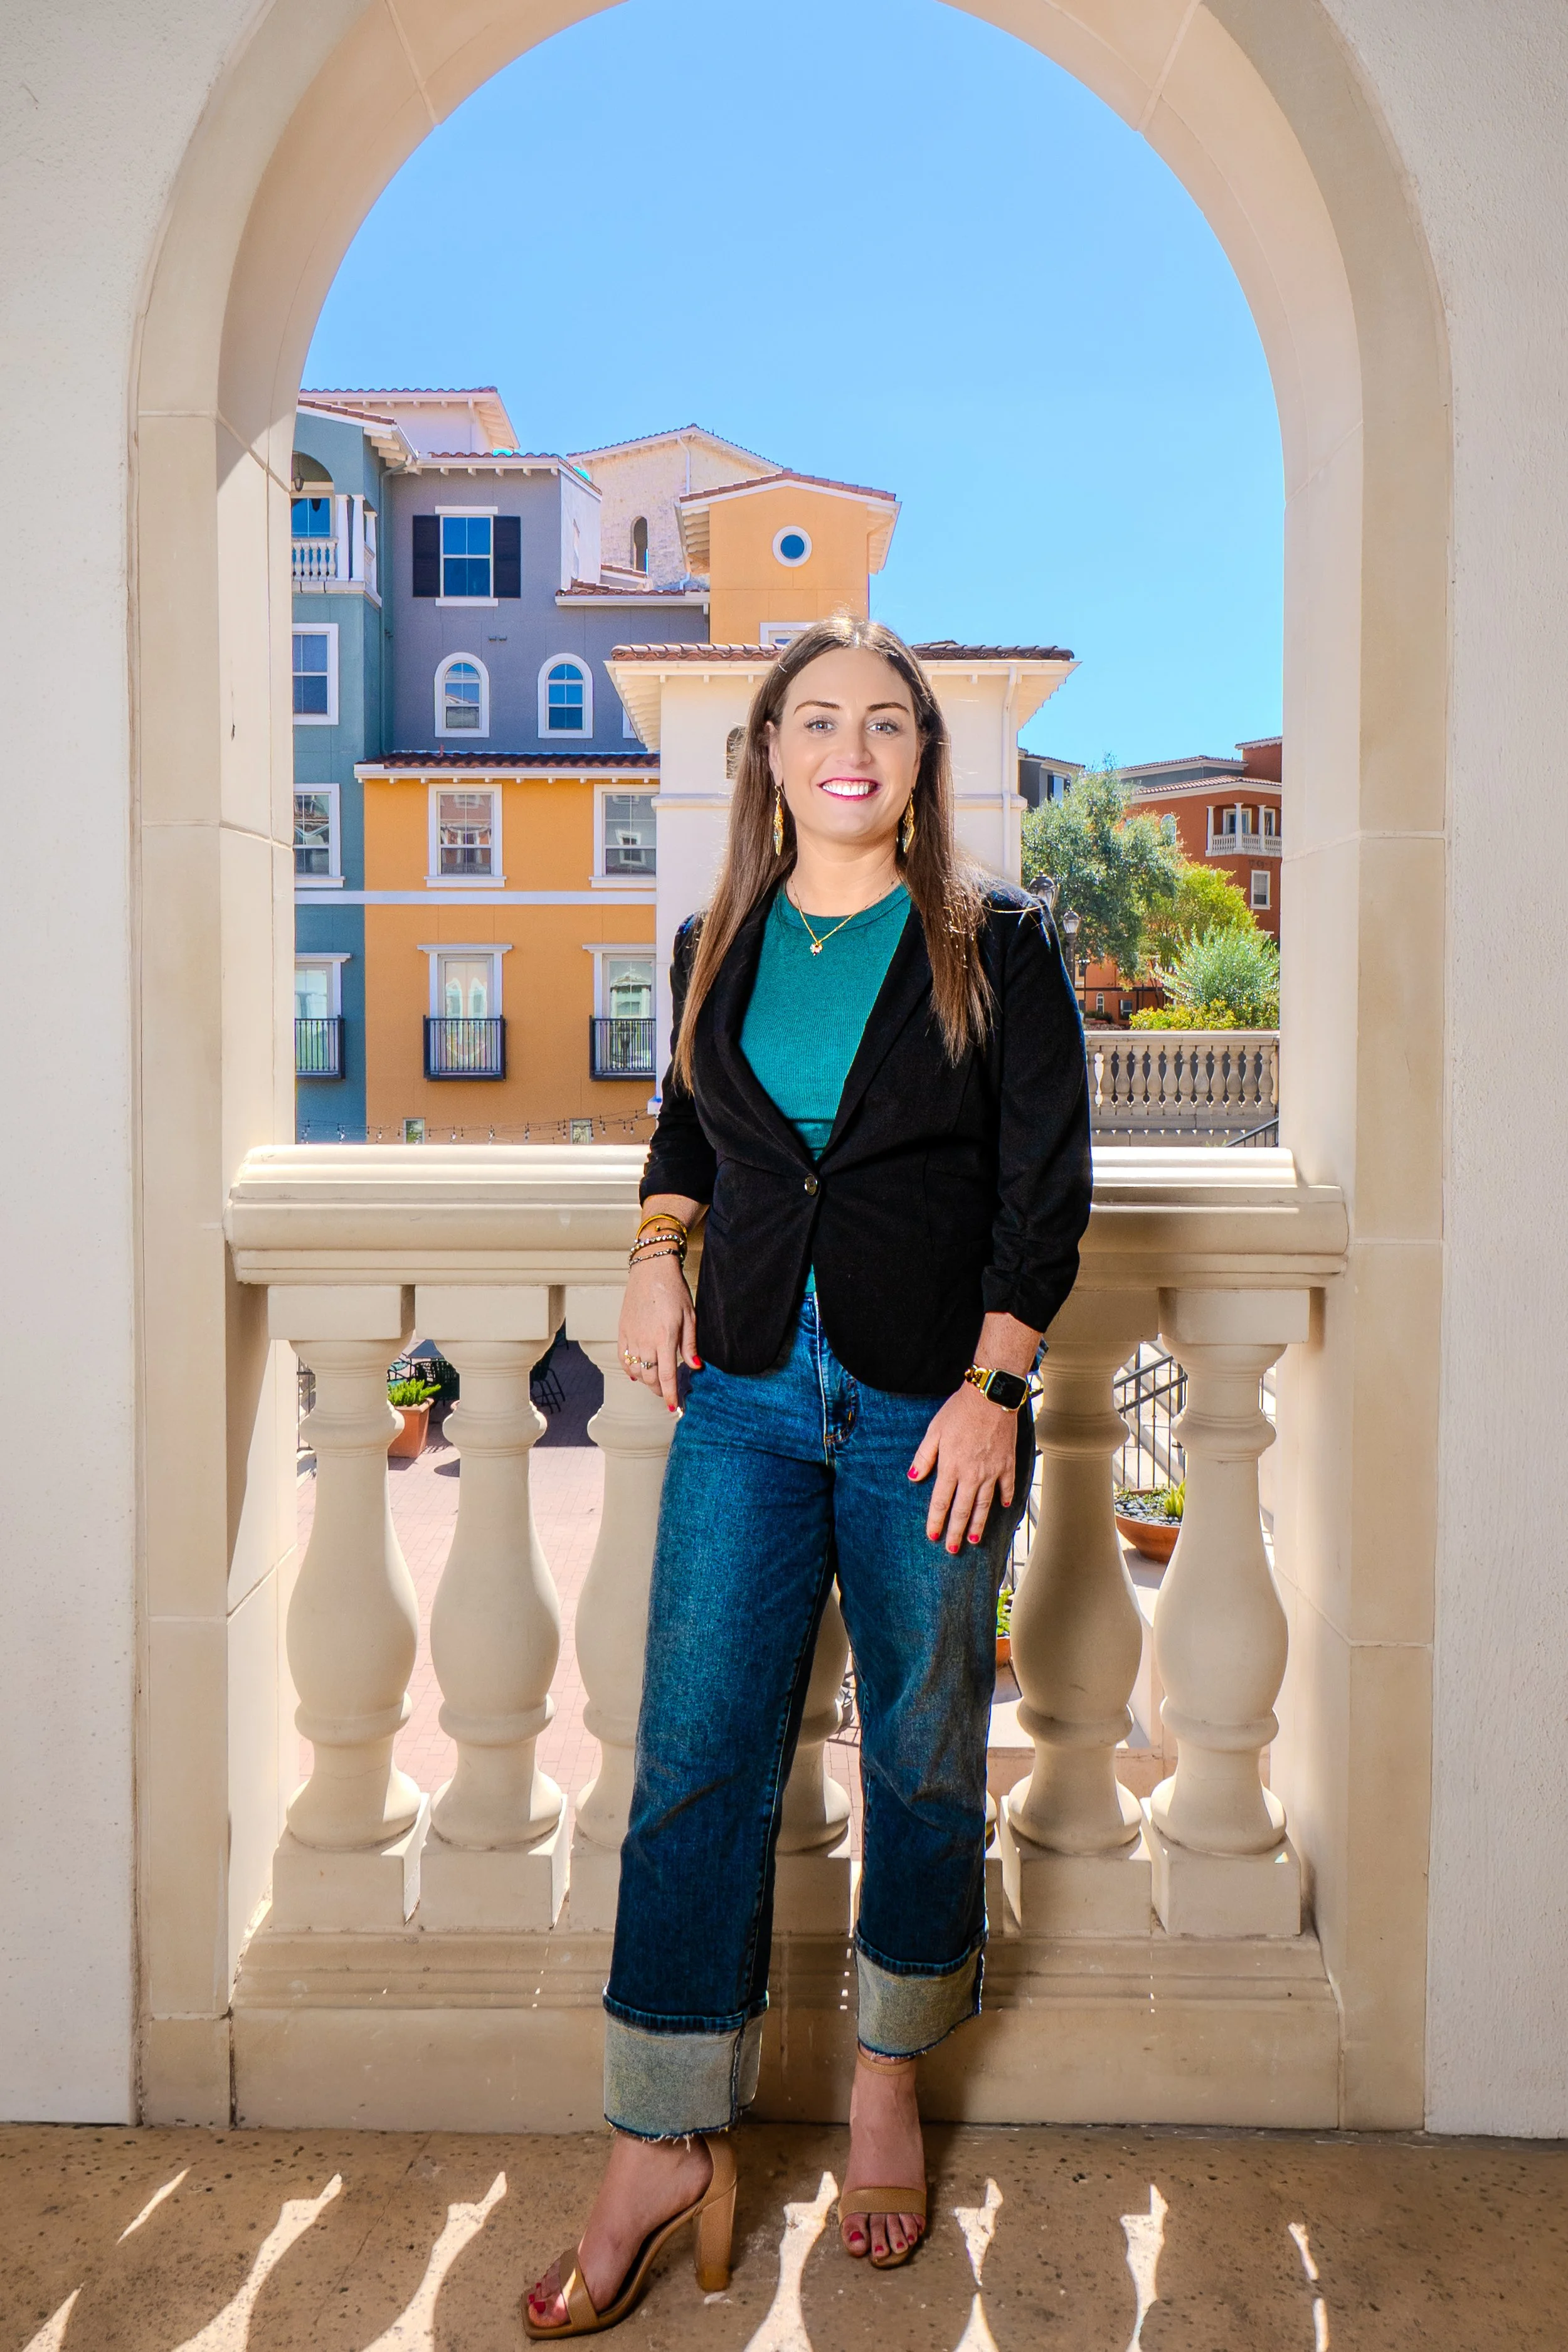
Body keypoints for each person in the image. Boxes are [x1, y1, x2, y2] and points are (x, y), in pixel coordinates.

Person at [525, 617, 1091, 2339]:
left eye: (889, 724)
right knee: (693, 1754)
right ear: (767, 753)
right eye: (819, 720)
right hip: (748, 1391)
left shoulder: (998, 942)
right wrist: (655, 1252)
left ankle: (885, 2084)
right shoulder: (716, 937)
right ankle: (658, 2140)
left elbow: (1046, 1185)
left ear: (921, 759)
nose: (854, 747)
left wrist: (996, 1385)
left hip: (933, 1405)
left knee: (918, 1755)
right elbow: (687, 1129)